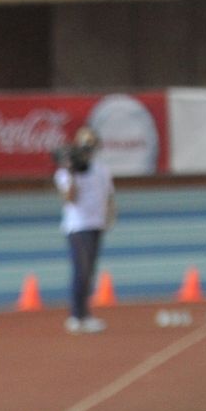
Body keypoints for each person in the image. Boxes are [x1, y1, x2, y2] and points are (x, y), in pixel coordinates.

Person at [55, 125, 115, 335]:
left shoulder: (103, 170)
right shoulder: (65, 172)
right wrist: (72, 173)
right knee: (80, 270)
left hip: (96, 224)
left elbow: (109, 196)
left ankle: (84, 314)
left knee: (89, 271)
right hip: (77, 226)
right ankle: (76, 315)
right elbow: (69, 198)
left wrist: (109, 217)